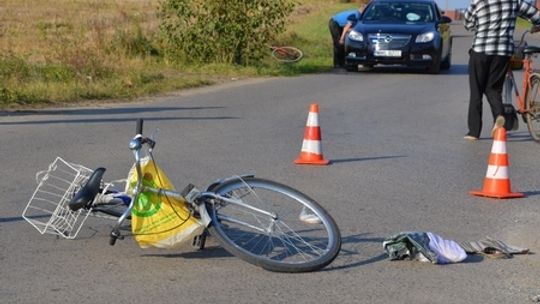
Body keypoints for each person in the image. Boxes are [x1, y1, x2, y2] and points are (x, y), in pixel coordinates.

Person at [463, 0, 540, 141]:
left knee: (476, 91)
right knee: (493, 89)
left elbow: (467, 24)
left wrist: (481, 25)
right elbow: (536, 15)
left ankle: (473, 132)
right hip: (503, 52)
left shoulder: (478, 1)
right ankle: (499, 117)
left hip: (481, 51)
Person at [329, 0, 369, 68]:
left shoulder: (359, 15)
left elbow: (352, 28)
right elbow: (346, 28)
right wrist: (342, 38)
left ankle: (343, 62)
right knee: (338, 44)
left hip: (341, 25)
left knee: (344, 44)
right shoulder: (355, 15)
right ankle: (337, 64)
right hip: (335, 22)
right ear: (362, 9)